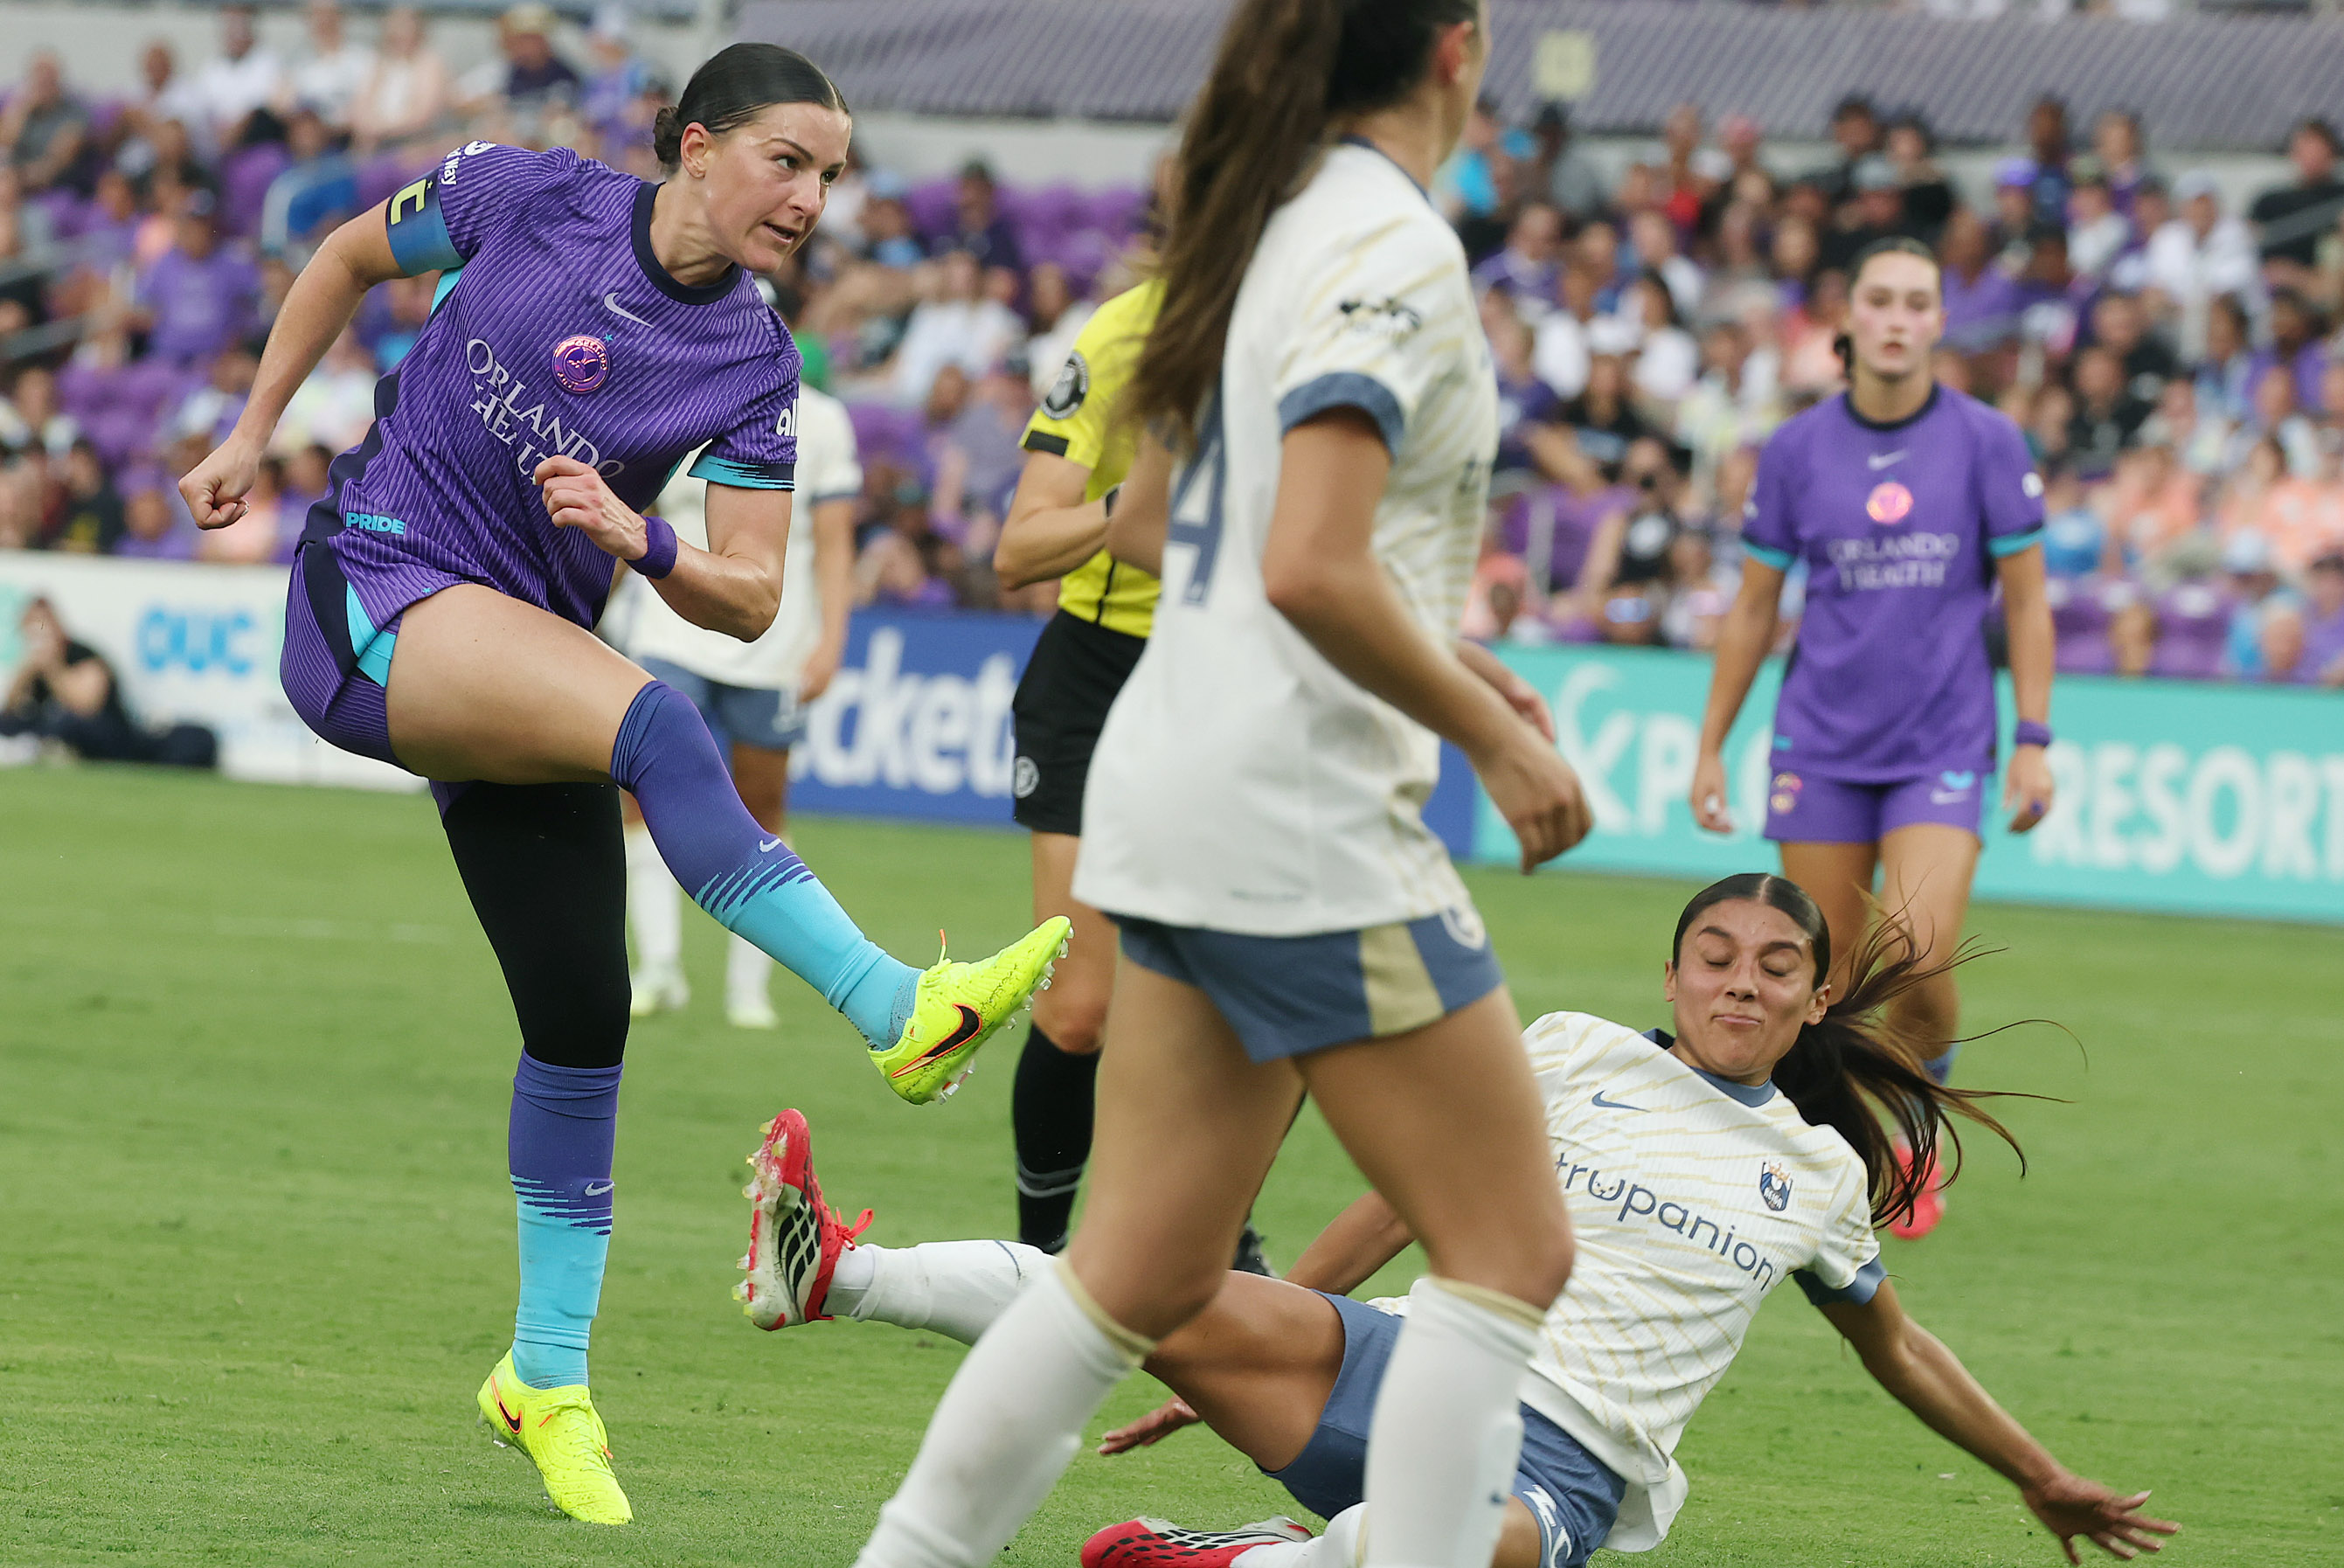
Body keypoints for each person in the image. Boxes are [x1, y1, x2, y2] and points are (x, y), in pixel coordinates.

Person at [175, 43, 1070, 1528]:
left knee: (584, 1018)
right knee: (661, 733)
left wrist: (643, 543)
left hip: (505, 650)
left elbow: (753, 598)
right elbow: (343, 254)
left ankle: (544, 1375)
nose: (812, 196)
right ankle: (892, 1010)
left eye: (832, 174)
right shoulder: (528, 196)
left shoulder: (757, 364)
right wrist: (248, 432)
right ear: (696, 147)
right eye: (788, 159)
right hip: (375, 591)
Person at [848, 5, 1592, 1566]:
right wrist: (1495, 731)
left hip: (1170, 781)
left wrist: (1449, 658)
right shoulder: (1388, 243)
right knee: (1510, 1244)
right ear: (1457, 50)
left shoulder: (1258, 232)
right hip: (1296, 810)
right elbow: (1311, 560)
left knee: (1133, 1272)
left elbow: (1187, 518)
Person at [738, 875, 2179, 1568]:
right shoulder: (1561, 1048)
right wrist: (1264, 1315)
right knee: (1135, 1291)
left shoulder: (1810, 1170)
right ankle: (831, 1271)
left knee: (1422, 1546)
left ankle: (1223, 1559)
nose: (1740, 982)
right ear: (1673, 975)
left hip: (1559, 1462)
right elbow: (1399, 1192)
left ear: (1809, 1000)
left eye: (1774, 966)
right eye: (1714, 956)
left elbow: (1897, 1343)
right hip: (1398, 1352)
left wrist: (2040, 1474)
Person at [1688, 237, 2058, 1244]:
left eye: (1917, 302)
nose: (1898, 318)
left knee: (1922, 952)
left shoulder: (1987, 441)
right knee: (1834, 980)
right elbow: (1756, 605)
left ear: (1939, 321)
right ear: (1848, 321)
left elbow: (2026, 604)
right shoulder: (1799, 450)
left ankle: (1916, 1121)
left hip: (1942, 741)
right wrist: (1714, 742)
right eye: (1880, 300)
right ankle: (1857, 1157)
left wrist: (2033, 736)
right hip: (1820, 746)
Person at [614, 343, 862, 1029]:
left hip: (773, 641)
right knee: (641, 793)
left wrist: (833, 639)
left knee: (762, 807)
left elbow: (835, 541)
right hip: (670, 628)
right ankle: (658, 966)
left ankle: (747, 986)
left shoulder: (826, 421)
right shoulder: (681, 395)